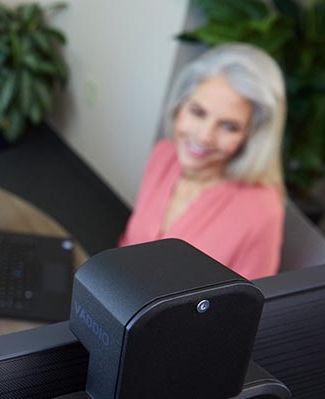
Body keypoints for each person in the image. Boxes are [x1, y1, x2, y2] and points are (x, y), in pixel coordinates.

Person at [120, 43, 286, 280]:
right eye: (198, 112)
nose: (204, 136)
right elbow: (128, 246)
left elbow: (244, 309)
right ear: (181, 106)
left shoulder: (261, 212)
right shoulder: (164, 154)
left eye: (229, 126)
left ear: (250, 136)